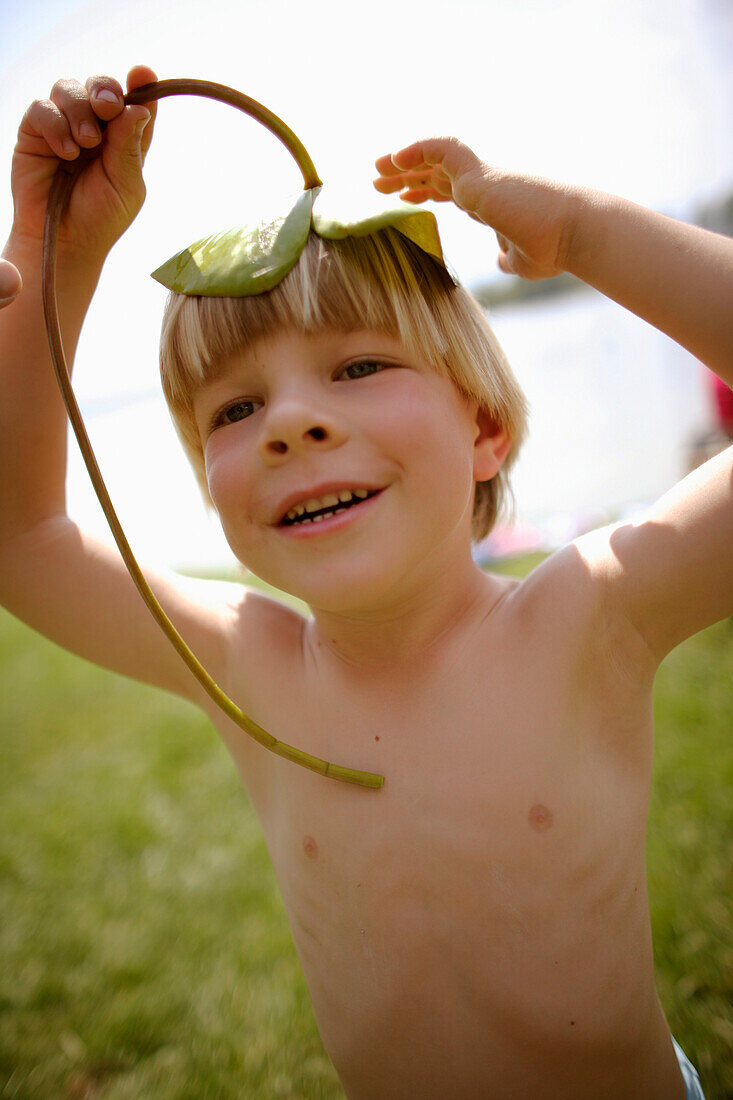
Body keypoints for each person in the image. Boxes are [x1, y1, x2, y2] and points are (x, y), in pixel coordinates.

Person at [1, 65, 729, 1100]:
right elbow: (21, 532)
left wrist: (581, 234)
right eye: (234, 410)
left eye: (355, 369)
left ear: (483, 428)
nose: (293, 422)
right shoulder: (247, 664)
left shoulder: (589, 616)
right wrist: (57, 253)